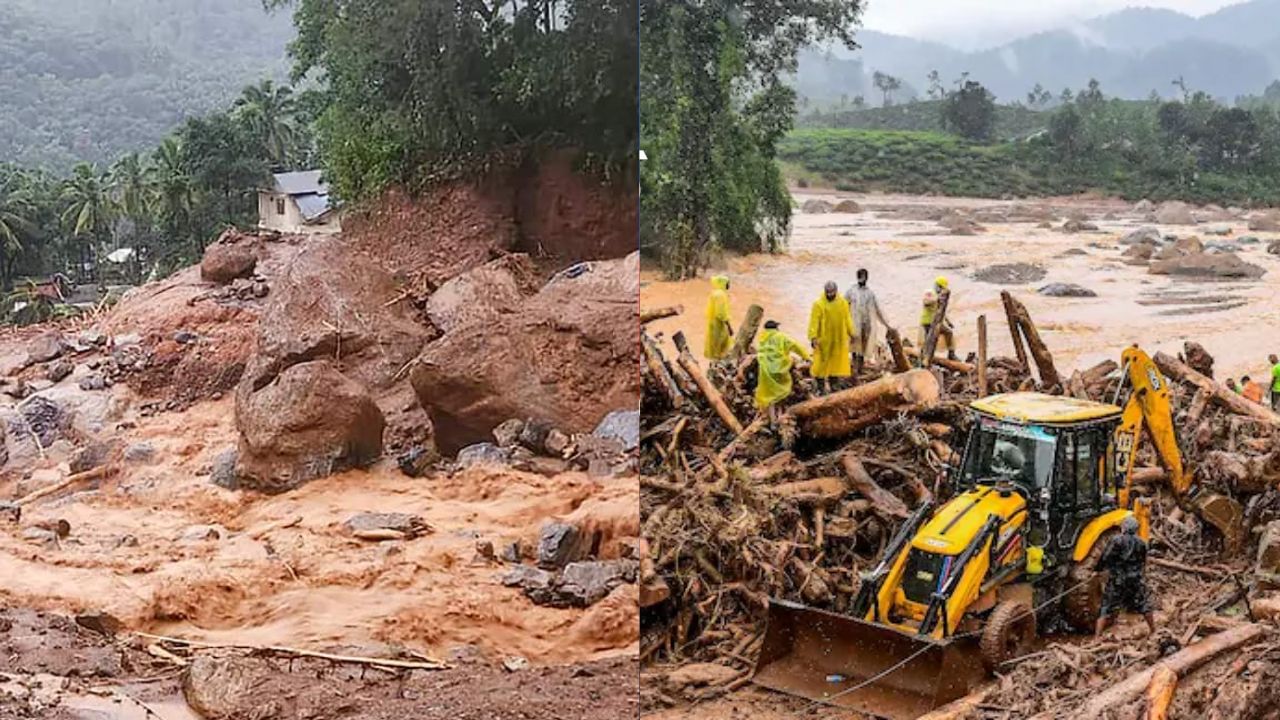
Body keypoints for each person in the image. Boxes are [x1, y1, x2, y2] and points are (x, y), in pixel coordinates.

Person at [1095, 515, 1156, 637]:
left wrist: (1099, 569)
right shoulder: (1142, 543)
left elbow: (1106, 557)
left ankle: (1097, 637)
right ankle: (1153, 630)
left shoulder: (1116, 540)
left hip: (1118, 580)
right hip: (1135, 580)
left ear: (1124, 528)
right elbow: (1143, 561)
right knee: (1143, 604)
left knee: (1106, 607)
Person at [754, 320, 810, 421]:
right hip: (780, 368)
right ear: (776, 328)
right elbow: (795, 346)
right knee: (782, 390)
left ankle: (770, 417)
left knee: (768, 395)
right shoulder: (781, 336)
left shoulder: (761, 338)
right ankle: (780, 415)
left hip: (765, 370)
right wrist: (806, 357)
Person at [844, 268, 892, 376]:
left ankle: (859, 370)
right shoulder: (851, 291)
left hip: (866, 325)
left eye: (864, 277)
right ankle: (854, 370)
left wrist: (888, 325)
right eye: (861, 277)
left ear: (867, 278)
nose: (863, 279)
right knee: (854, 348)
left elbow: (878, 310)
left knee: (862, 349)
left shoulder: (870, 293)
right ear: (857, 278)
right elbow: (842, 306)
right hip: (854, 325)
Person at [808, 281, 854, 394]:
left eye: (832, 292)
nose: (830, 295)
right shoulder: (818, 304)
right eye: (828, 293)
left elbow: (847, 319)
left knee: (835, 364)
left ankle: (834, 386)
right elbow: (814, 321)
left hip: (838, 339)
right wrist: (813, 337)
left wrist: (852, 333)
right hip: (823, 340)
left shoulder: (843, 303)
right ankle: (820, 387)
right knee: (820, 365)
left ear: (836, 291)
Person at [920, 277, 957, 362]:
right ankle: (924, 358)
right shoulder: (930, 292)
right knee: (928, 340)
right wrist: (937, 298)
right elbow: (926, 302)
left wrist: (948, 322)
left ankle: (951, 354)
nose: (942, 290)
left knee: (949, 333)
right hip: (928, 321)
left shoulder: (940, 295)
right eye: (941, 288)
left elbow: (941, 310)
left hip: (937, 322)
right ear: (938, 286)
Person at [704, 275, 733, 360]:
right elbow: (721, 313)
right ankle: (717, 366)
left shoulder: (714, 293)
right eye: (727, 283)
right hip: (719, 325)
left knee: (713, 345)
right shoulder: (721, 295)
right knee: (720, 347)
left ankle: (714, 364)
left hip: (712, 323)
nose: (729, 285)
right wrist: (729, 326)